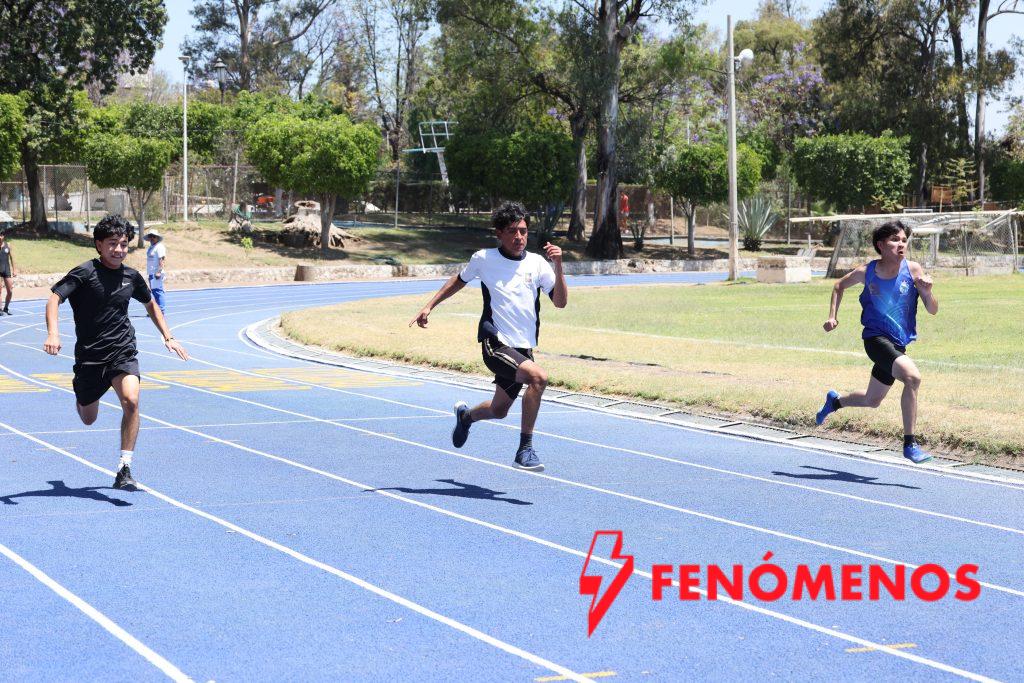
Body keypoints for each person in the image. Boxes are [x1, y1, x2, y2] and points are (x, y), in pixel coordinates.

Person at [410, 201, 568, 472]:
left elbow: (561, 302)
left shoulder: (538, 264)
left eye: (523, 231)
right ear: (499, 233)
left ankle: (466, 417)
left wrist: (558, 265)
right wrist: (429, 306)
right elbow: (458, 281)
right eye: (512, 231)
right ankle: (525, 450)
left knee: (499, 410)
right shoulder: (484, 259)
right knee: (538, 377)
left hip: (523, 348)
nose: (519, 237)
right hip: (495, 343)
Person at [44, 215, 189, 490]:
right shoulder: (84, 273)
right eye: (112, 243)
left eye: (123, 244)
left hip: (122, 350)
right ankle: (82, 397)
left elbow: (151, 305)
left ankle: (124, 467)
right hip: (89, 356)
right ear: (99, 245)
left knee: (131, 400)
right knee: (88, 418)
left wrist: (168, 336)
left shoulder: (131, 277)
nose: (119, 249)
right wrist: (53, 333)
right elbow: (54, 299)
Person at [815, 220, 939, 464]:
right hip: (875, 339)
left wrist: (926, 292)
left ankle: (835, 402)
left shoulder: (913, 270)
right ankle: (910, 444)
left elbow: (933, 310)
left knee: (872, 400)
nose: (901, 244)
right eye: (895, 240)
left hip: (897, 344)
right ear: (881, 245)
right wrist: (832, 316)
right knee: (912, 378)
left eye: (904, 240)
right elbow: (839, 286)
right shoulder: (867, 271)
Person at [145, 228, 167, 314]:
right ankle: (157, 310)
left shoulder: (159, 246)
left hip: (156, 273)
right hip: (151, 273)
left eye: (154, 236)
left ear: (157, 238)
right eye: (150, 236)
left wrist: (159, 271)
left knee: (158, 291)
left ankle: (161, 310)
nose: (152, 238)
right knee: (154, 292)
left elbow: (162, 259)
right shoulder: (151, 247)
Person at [0, 232, 15, 315]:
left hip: (6, 270)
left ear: (3, 236)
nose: (0, 237)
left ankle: (6, 308)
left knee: (10, 291)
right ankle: (0, 309)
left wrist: (14, 270)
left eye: (1, 235)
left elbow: (12, 258)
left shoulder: (8, 245)